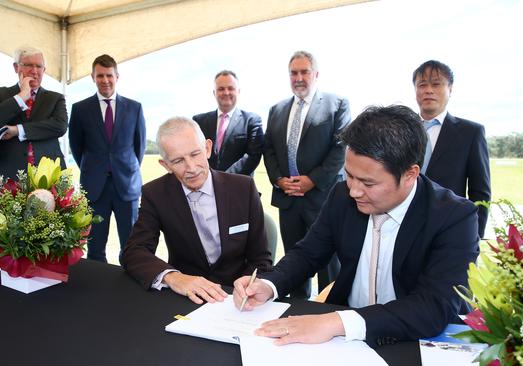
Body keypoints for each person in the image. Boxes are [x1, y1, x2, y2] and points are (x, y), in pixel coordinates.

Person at [234, 105, 480, 347]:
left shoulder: (455, 217)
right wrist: (268, 284)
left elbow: (433, 307)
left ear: (409, 174)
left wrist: (335, 322)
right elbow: (308, 253)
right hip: (346, 341)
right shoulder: (342, 195)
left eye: (368, 183)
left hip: (415, 340)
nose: (354, 191)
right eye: (349, 175)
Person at [123, 117, 271, 304]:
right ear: (166, 165)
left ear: (207, 148)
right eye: (178, 161)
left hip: (237, 297)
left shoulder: (244, 188)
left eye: (195, 154)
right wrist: (175, 278)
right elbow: (134, 251)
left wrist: (249, 287)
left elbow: (261, 259)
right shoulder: (155, 194)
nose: (191, 168)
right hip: (186, 297)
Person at [263, 50, 350, 298]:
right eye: (293, 73)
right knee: (295, 261)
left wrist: (312, 181)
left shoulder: (337, 104)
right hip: (288, 200)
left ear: (316, 74)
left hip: (323, 198)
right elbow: (268, 148)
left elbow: (340, 148)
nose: (299, 78)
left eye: (304, 72)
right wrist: (279, 180)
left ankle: (330, 308)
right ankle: (297, 309)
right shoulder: (276, 109)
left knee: (329, 264)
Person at [68, 54, 146, 263]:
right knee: (95, 247)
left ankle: (129, 289)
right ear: (93, 77)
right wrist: (95, 169)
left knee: (131, 247)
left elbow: (140, 147)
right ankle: (98, 291)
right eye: (100, 76)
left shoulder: (134, 108)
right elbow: (76, 147)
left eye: (109, 75)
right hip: (95, 189)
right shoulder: (80, 109)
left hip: (126, 188)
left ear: (117, 77)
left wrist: (124, 169)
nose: (105, 80)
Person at [413, 60, 491, 238]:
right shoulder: (401, 129)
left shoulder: (470, 133)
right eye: (422, 85)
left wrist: (474, 236)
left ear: (450, 89)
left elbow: (480, 192)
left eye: (436, 84)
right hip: (402, 226)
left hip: (449, 228)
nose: (428, 90)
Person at [0, 46, 67, 187]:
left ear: (44, 70)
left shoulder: (55, 98)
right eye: (28, 65)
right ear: (16, 67)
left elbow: (60, 126)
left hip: (48, 176)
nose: (34, 71)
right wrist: (20, 98)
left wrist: (18, 130)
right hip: (8, 175)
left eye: (39, 66)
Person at [193, 70, 264, 176]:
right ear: (214, 93)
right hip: (205, 185)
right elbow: (193, 152)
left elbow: (253, 156)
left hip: (238, 186)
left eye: (231, 88)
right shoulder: (199, 121)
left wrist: (223, 178)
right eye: (221, 89)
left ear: (238, 91)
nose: (226, 92)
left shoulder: (252, 121)